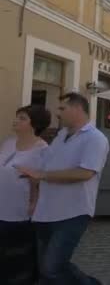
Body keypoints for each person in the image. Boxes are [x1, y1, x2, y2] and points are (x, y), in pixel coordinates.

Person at [18, 92, 109, 285]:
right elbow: (48, 164)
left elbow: (86, 173)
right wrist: (34, 176)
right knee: (48, 266)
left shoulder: (95, 138)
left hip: (73, 212)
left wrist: (43, 176)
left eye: (62, 108)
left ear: (77, 109)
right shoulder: (61, 135)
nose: (57, 113)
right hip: (46, 211)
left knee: (51, 267)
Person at [0, 106, 51, 285]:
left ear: (34, 124)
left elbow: (43, 181)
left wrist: (34, 203)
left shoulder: (43, 149)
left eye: (22, 118)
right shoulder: (8, 142)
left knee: (18, 258)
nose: (16, 121)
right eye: (17, 117)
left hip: (21, 211)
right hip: (1, 206)